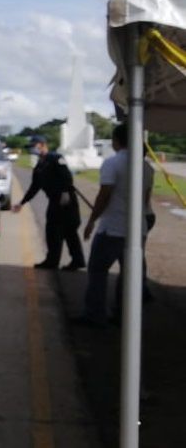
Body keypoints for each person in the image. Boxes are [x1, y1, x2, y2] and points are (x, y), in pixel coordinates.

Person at [79, 122, 155, 326]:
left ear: (116, 141)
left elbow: (104, 195)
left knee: (97, 270)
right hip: (138, 229)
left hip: (112, 228)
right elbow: (146, 201)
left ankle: (95, 314)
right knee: (129, 274)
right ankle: (124, 314)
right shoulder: (147, 167)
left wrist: (92, 221)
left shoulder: (112, 163)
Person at [12, 135, 86, 270]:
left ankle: (76, 260)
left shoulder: (55, 158)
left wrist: (65, 192)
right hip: (54, 201)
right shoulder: (40, 165)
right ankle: (53, 261)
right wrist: (22, 203)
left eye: (33, 146)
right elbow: (34, 187)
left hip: (66, 201)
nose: (32, 150)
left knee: (69, 232)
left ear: (41, 144)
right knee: (53, 232)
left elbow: (67, 177)